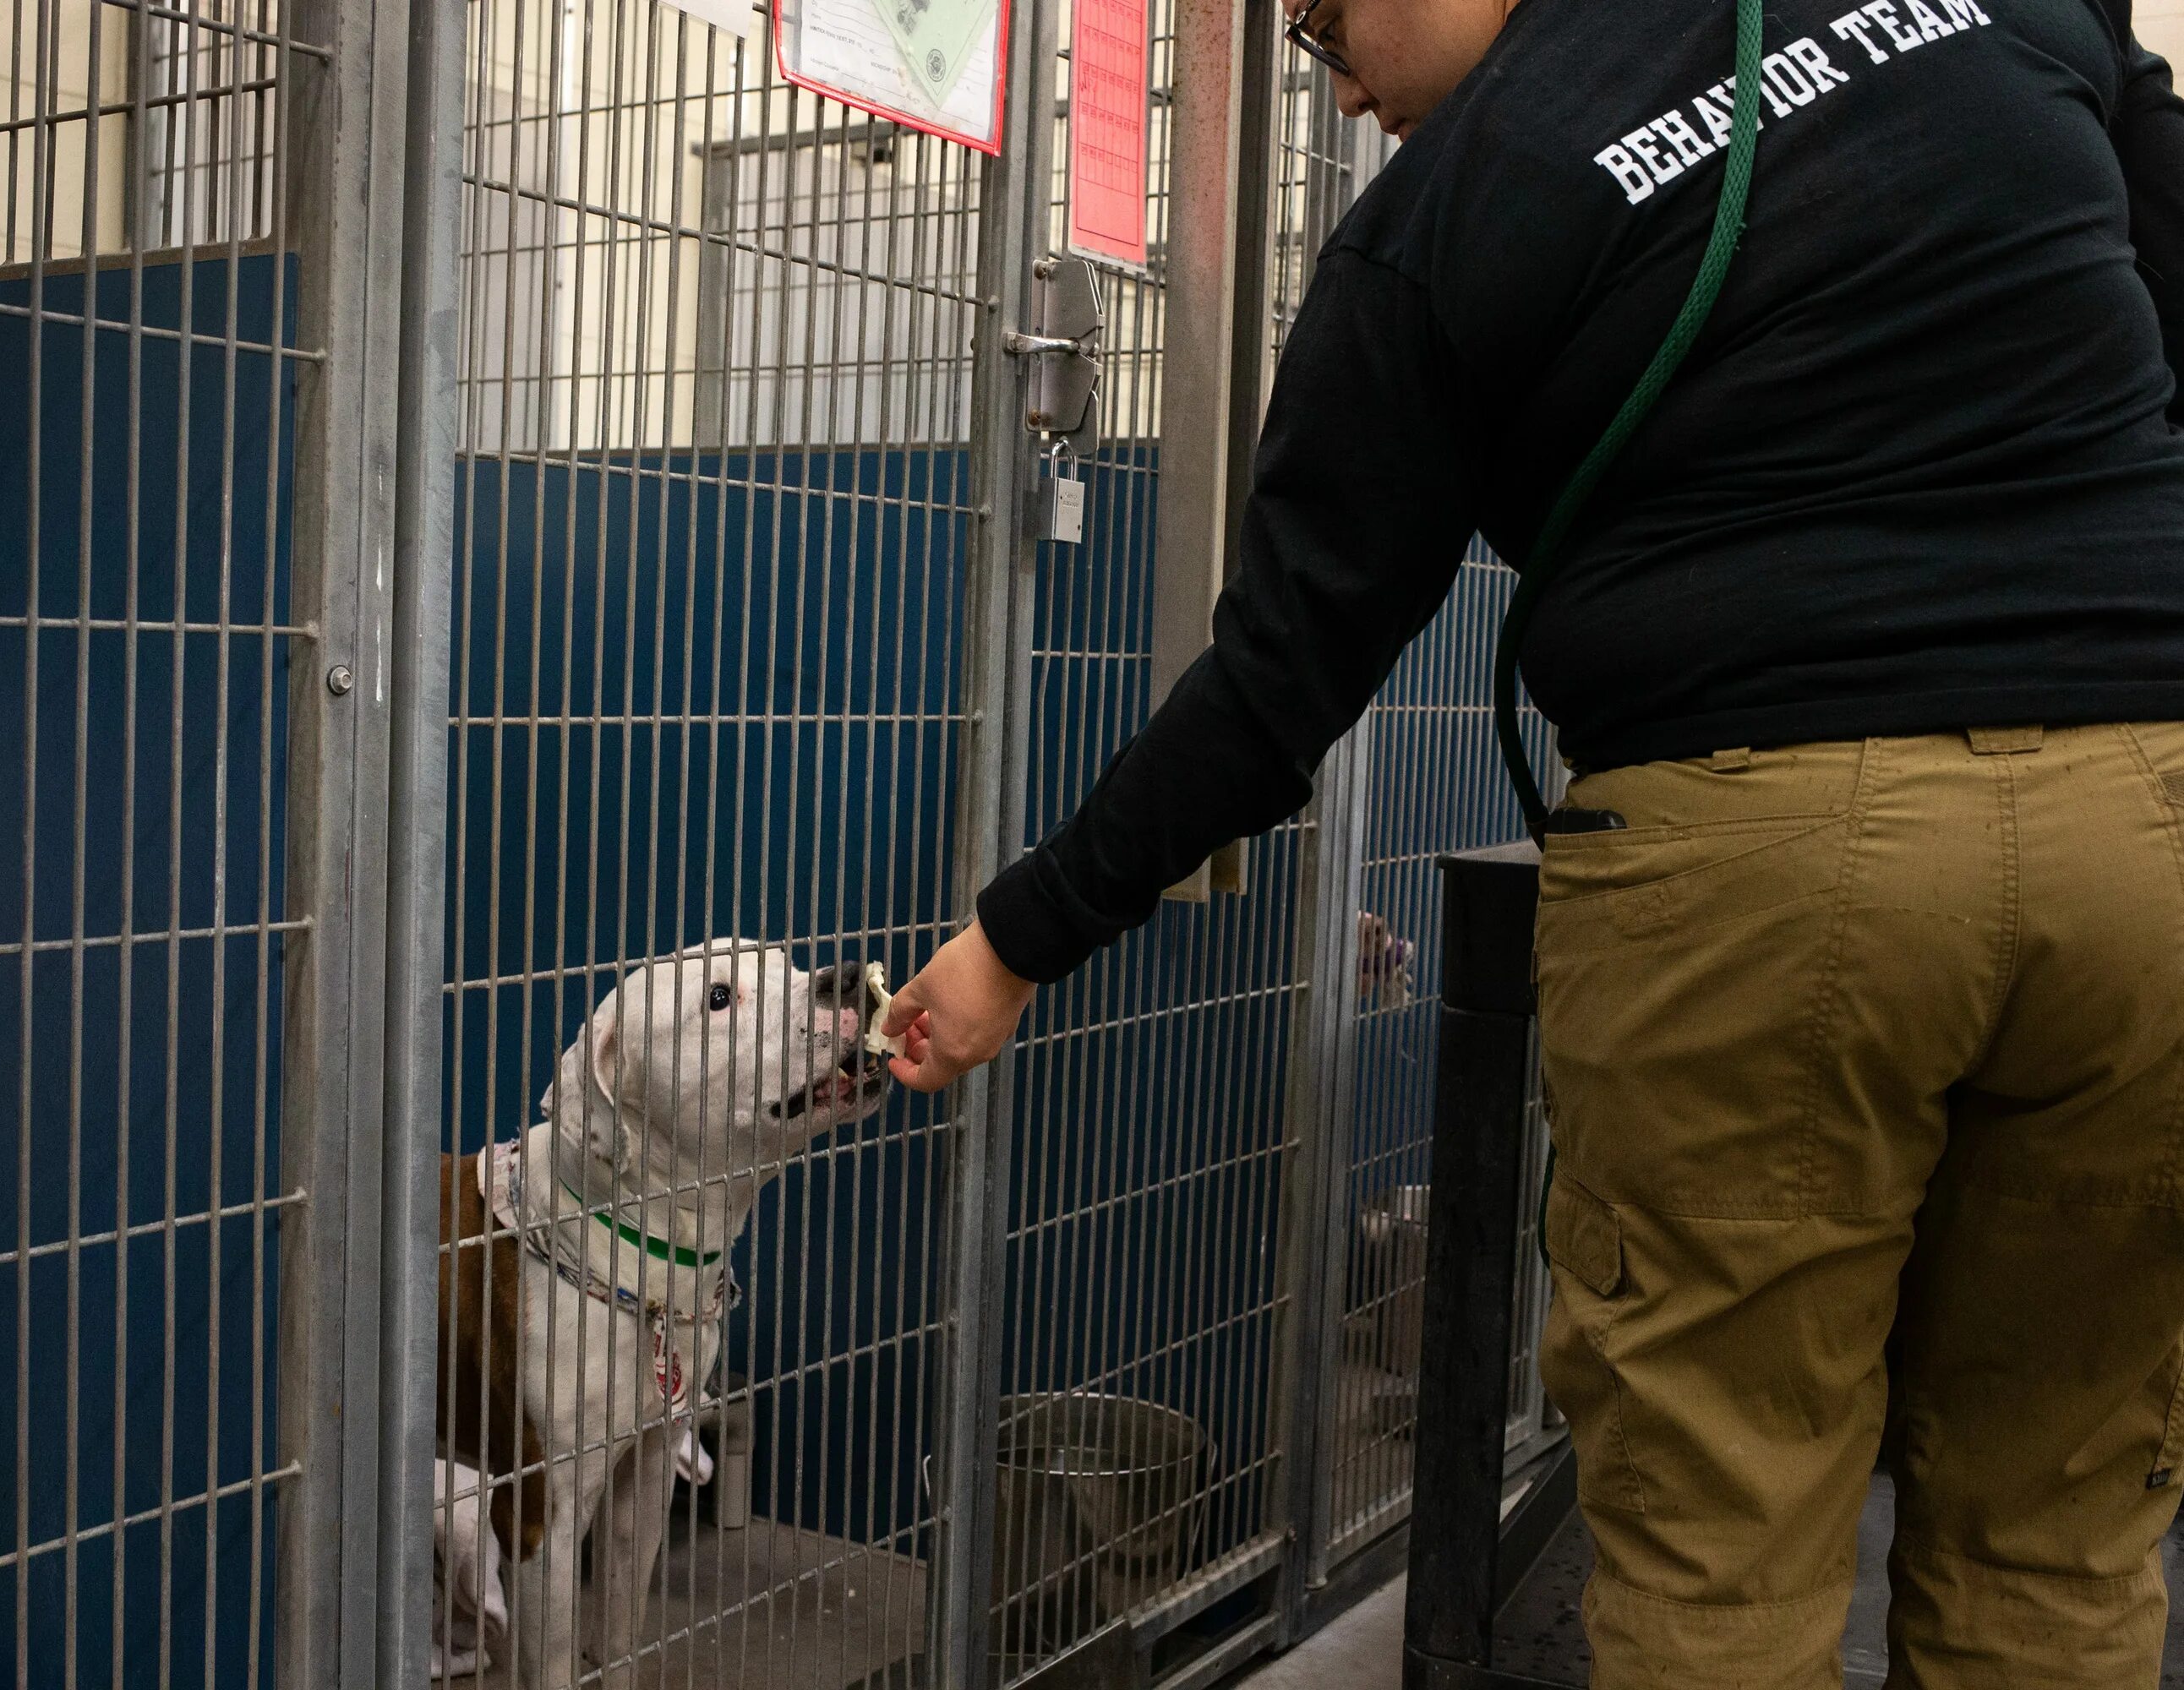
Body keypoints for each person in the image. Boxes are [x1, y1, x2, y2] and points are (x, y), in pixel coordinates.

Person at [876, 0, 2184, 1683]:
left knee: (1723, 1539)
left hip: (1768, 860)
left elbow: (1280, 681)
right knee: (2061, 1526)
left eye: (1332, 27)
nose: (1338, 84)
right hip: (2147, 826)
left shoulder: (1440, 222)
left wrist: (1012, 941)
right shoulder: (2009, 5)